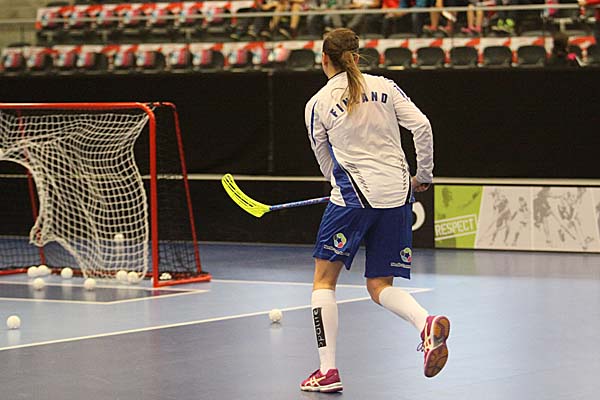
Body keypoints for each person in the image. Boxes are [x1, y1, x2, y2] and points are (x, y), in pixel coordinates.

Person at [300, 27, 450, 393]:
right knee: (380, 284)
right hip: (398, 195)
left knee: (324, 281)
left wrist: (338, 185)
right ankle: (424, 323)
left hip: (352, 199)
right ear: (356, 56)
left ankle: (327, 371)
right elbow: (422, 127)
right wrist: (423, 176)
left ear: (324, 59)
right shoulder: (386, 86)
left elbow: (325, 160)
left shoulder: (317, 103)